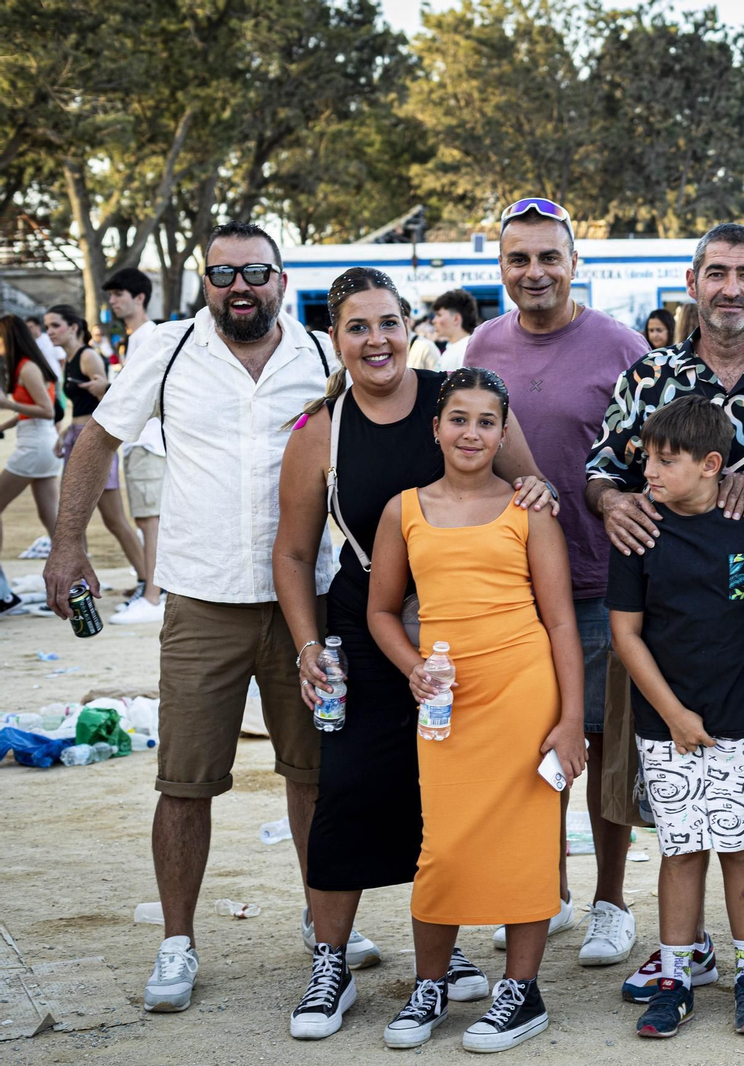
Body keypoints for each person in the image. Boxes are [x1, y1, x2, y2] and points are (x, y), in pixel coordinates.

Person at [43, 221, 336, 1016]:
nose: (240, 287)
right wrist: (67, 546)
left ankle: (324, 928)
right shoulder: (167, 351)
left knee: (311, 775)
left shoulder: (322, 355)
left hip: (305, 599)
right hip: (202, 597)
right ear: (203, 282)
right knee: (185, 782)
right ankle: (178, 941)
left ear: (281, 279)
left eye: (256, 272)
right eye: (223, 273)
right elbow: (98, 440)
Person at [272, 269, 553, 1040]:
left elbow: (532, 493)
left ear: (411, 326)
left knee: (454, 794)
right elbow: (294, 554)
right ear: (336, 338)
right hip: (372, 624)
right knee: (353, 787)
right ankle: (331, 961)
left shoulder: (455, 400)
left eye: (390, 323)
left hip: (475, 634)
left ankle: (448, 956)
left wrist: (542, 494)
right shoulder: (318, 430)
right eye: (358, 327)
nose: (377, 340)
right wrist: (306, 647)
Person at [586, 222, 744, 1011]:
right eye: (716, 272)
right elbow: (602, 467)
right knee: (686, 811)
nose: (730, 287)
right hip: (679, 628)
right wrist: (614, 498)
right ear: (693, 281)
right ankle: (683, 952)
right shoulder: (651, 374)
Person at [367, 367, 587, 1052]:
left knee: (526, 843)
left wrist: (572, 719)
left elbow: (559, 624)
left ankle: (520, 992)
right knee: (443, 844)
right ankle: (429, 985)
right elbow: (379, 611)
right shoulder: (402, 509)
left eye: (487, 421)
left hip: (525, 691)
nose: (471, 432)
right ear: (436, 428)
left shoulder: (530, 509)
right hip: (445, 701)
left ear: (502, 433)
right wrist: (414, 672)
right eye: (458, 418)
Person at [467, 196, 651, 967]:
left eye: (549, 257)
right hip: (514, 589)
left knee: (609, 747)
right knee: (532, 748)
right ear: (501, 267)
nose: (535, 272)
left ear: (575, 264)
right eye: (519, 259)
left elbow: (656, 457)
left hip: (606, 581)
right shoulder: (481, 343)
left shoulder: (623, 346)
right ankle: (552, 891)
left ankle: (612, 901)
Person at [607, 397, 744, 1039]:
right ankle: (676, 977)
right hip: (665, 724)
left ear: (712, 465)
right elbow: (626, 635)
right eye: (647, 458)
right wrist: (674, 713)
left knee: (741, 848)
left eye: (666, 461)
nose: (649, 472)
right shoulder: (640, 529)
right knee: (681, 852)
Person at [44, 305, 147, 592]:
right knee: (74, 520)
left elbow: (108, 404)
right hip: (75, 437)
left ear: (74, 327)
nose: (49, 331)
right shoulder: (70, 359)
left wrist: (101, 391)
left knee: (114, 519)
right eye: (47, 326)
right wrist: (64, 434)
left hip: (96, 442)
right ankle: (75, 583)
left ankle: (148, 583)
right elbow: (79, 406)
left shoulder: (88, 356)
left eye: (55, 325)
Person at [102, 267, 166, 623]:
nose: (112, 301)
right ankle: (151, 589)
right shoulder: (137, 337)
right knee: (149, 520)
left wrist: (105, 391)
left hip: (147, 443)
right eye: (111, 295)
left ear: (139, 297)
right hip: (140, 443)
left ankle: (154, 598)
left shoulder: (149, 336)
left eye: (118, 294)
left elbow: (146, 396)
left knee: (149, 521)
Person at [0, 314, 61, 565]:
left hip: (35, 447)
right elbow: (29, 409)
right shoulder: (26, 366)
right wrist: (5, 423)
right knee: (53, 522)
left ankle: (1, 586)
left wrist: (8, 404)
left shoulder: (27, 368)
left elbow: (47, 411)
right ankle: (75, 580)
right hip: (42, 446)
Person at [431, 288, 480, 372]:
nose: (434, 321)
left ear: (456, 319)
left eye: (439, 315)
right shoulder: (454, 347)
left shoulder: (465, 351)